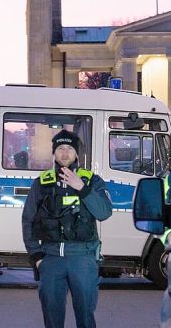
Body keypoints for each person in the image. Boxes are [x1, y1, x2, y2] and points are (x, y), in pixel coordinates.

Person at [22, 130, 113, 328]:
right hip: (51, 259)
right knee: (52, 319)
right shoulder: (42, 183)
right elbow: (28, 220)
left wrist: (82, 188)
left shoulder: (92, 181)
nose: (64, 153)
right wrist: (36, 257)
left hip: (83, 258)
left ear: (77, 153)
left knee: (86, 317)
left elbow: (104, 212)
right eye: (60, 148)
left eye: (69, 148)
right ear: (54, 153)